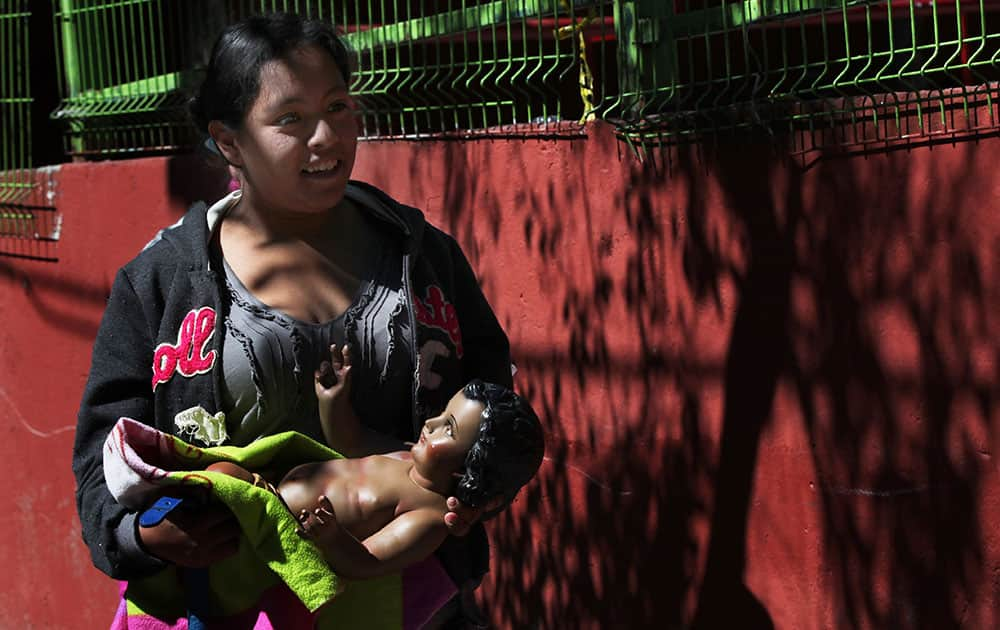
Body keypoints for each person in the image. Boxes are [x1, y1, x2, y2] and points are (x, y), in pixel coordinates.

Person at [72, 10, 514, 626]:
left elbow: (491, 394)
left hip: (409, 607)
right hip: (226, 603)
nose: (326, 137)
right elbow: (104, 455)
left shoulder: (421, 253)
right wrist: (142, 540)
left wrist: (478, 493)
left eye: (337, 107)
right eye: (290, 120)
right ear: (229, 141)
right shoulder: (160, 281)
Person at [207, 346, 544, 579]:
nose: (430, 424)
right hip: (270, 490)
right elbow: (349, 441)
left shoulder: (429, 517)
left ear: (468, 469)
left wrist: (332, 538)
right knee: (215, 478)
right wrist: (334, 402)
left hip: (282, 536)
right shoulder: (403, 454)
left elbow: (368, 562)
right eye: (442, 414)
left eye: (448, 430)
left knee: (221, 479)